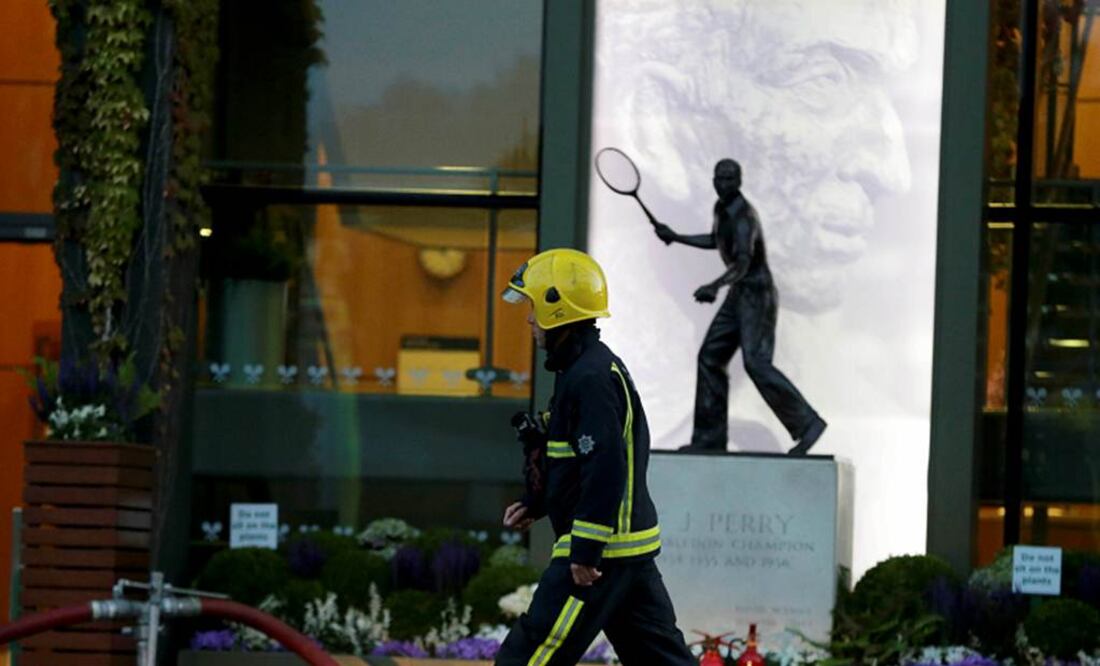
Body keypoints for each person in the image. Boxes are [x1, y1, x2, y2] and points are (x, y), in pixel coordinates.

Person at [495, 248, 695, 666]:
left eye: (533, 308)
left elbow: (604, 467)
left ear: (558, 311)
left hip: (600, 558)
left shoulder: (589, 378)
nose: (529, 319)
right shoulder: (584, 370)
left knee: (527, 657)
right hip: (625, 552)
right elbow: (574, 457)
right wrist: (539, 503)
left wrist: (585, 550)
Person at [649, 159, 826, 455]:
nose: (723, 183)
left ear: (739, 181)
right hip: (740, 293)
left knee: (756, 363)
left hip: (756, 294)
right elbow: (716, 240)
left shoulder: (744, 216)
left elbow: (743, 263)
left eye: (729, 179)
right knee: (710, 357)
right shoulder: (722, 209)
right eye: (719, 178)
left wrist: (713, 286)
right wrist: (677, 237)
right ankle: (709, 439)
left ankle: (808, 424)